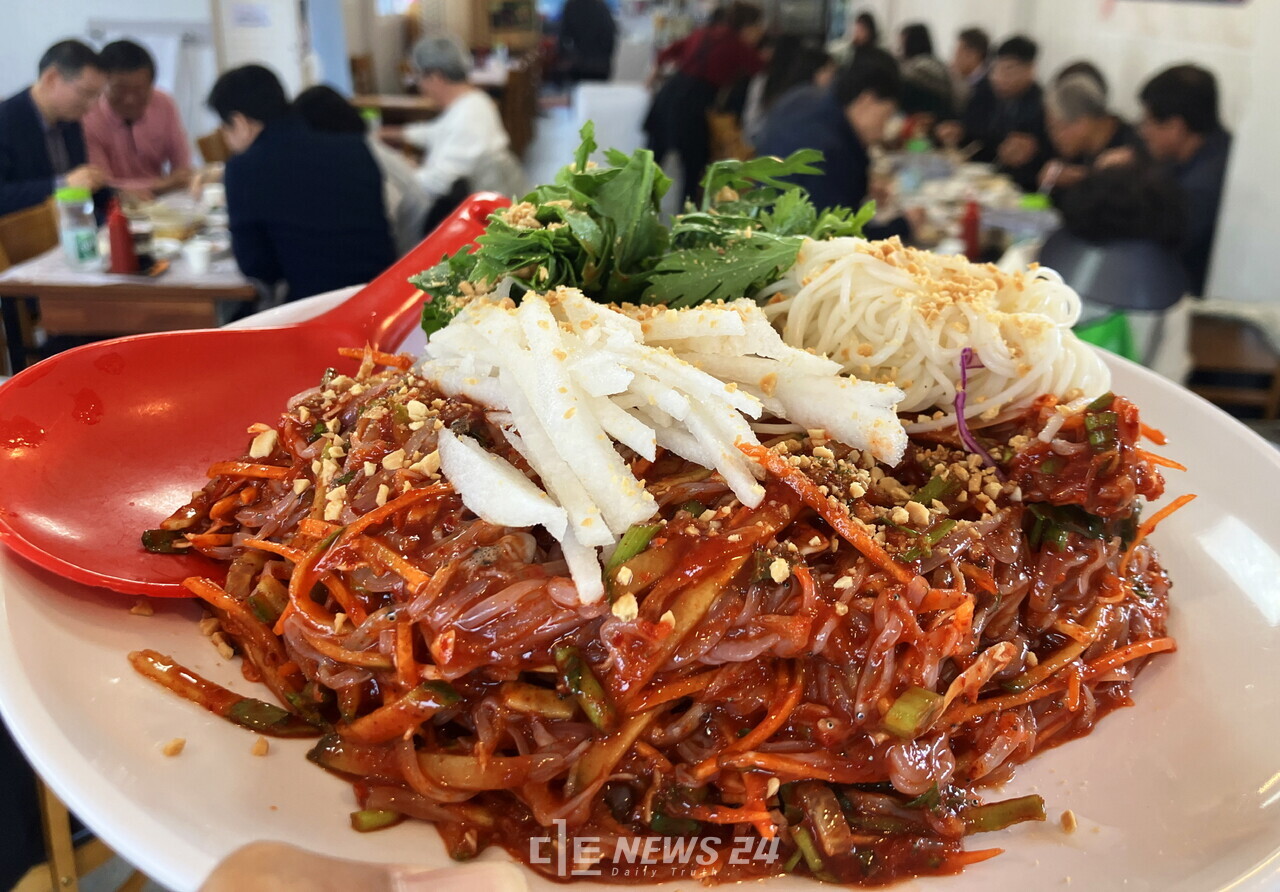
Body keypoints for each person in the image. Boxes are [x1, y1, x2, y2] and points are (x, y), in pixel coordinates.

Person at [208, 65, 394, 301]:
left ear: (240, 122)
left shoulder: (243, 168)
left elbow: (258, 269)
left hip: (317, 310)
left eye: (225, 128)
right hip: (383, 297)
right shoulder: (353, 147)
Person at [1100, 64, 1230, 296]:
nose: (1143, 131)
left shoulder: (1202, 187)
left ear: (1176, 127)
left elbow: (1155, 241)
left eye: (1149, 121)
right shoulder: (1208, 146)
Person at [754, 47, 907, 238]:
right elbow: (839, 238)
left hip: (761, 217)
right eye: (886, 116)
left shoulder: (805, 95)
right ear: (866, 101)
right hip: (787, 247)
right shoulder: (831, 149)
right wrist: (902, 226)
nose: (883, 131)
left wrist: (857, 184)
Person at [393, 36, 524, 227]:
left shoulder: (469, 116)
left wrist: (402, 170)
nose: (419, 85)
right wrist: (398, 133)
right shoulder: (473, 102)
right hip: (481, 208)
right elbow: (437, 132)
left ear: (435, 77)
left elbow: (437, 183)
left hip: (480, 224)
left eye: (419, 76)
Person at [645, 0, 766, 202]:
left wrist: (653, 75)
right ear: (750, 26)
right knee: (693, 168)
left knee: (652, 162)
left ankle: (638, 213)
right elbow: (761, 67)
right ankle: (687, 219)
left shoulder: (704, 32)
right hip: (694, 102)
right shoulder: (738, 45)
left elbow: (666, 52)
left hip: (669, 94)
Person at [294, 85, 432, 256]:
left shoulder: (365, 161)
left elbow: (378, 228)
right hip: (414, 246)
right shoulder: (365, 148)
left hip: (411, 256)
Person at [0, 40, 105, 217]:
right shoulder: (6, 119)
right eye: (86, 93)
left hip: (69, 227)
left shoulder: (70, 121)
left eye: (97, 96)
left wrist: (114, 194)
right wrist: (61, 185)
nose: (91, 105)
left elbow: (80, 186)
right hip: (23, 235)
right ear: (51, 78)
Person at [82, 39, 193, 199]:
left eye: (139, 90)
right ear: (102, 84)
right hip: (112, 206)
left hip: (161, 202)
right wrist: (161, 184)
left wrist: (176, 181)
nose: (130, 99)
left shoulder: (164, 103)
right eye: (119, 90)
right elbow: (101, 185)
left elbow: (182, 167)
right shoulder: (87, 117)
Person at [940, 35, 1047, 190]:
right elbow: (975, 131)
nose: (999, 78)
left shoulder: (1040, 106)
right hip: (981, 177)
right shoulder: (986, 92)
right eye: (995, 70)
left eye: (1009, 71)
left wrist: (1030, 153)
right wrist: (960, 132)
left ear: (1031, 70)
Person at [1039, 74, 1141, 194]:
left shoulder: (1131, 149)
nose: (1054, 136)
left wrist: (1087, 179)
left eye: (1055, 127)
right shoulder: (1078, 150)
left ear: (1082, 122)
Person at [898, 23, 953, 129]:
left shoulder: (915, 69)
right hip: (940, 123)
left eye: (902, 41)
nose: (899, 47)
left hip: (922, 125)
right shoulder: (939, 65)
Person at [557, 0, 618, 82]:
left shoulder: (571, 6)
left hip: (577, 66)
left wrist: (567, 57)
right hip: (601, 66)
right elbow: (610, 39)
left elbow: (563, 37)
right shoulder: (602, 7)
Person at [950, 27, 989, 111]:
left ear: (973, 55)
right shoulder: (963, 81)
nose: (953, 59)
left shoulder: (986, 89)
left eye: (958, 53)